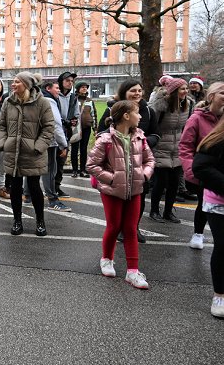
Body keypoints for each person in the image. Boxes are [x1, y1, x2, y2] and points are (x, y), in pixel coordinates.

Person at [87, 100, 155, 290]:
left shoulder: (140, 137)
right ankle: (107, 259)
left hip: (135, 190)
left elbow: (150, 160)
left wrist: (144, 175)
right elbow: (92, 165)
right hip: (112, 191)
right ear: (126, 116)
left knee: (131, 229)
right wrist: (112, 179)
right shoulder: (105, 140)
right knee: (114, 226)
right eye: (137, 112)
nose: (140, 116)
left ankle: (133, 271)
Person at [0, 72, 56, 236]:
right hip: (12, 151)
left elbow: (49, 127)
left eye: (17, 82)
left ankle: (40, 221)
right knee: (15, 188)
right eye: (13, 81)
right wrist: (3, 143)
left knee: (34, 187)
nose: (13, 84)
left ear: (26, 85)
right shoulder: (8, 102)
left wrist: (38, 146)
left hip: (33, 153)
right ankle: (17, 220)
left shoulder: (42, 102)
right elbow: (1, 125)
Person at [179, 82, 224, 250]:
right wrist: (191, 171)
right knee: (203, 203)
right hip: (203, 172)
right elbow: (185, 146)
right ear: (211, 97)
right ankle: (198, 233)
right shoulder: (196, 118)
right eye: (223, 93)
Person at [192, 115, 224, 317]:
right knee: (223, 246)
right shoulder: (216, 139)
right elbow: (200, 167)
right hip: (219, 201)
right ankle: (219, 294)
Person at [149, 75, 191, 224]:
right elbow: (153, 123)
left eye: (186, 88)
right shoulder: (161, 105)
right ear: (174, 91)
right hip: (161, 145)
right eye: (182, 89)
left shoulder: (187, 104)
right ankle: (154, 211)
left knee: (174, 183)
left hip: (178, 146)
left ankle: (168, 211)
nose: (185, 91)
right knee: (161, 182)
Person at [41, 81, 72, 214]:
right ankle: (53, 200)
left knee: (33, 171)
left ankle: (28, 195)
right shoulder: (49, 101)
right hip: (50, 142)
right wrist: (63, 144)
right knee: (50, 171)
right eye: (57, 88)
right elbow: (56, 124)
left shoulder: (37, 99)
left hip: (37, 141)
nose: (59, 90)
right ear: (48, 88)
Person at [55, 71, 79, 197]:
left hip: (66, 132)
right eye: (67, 80)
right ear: (61, 81)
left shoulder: (73, 97)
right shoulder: (55, 95)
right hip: (54, 131)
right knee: (51, 162)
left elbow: (76, 114)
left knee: (61, 160)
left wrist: (74, 120)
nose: (70, 83)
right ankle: (47, 187)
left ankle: (56, 186)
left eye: (71, 81)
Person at [70, 81, 94, 178]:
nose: (85, 89)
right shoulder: (73, 99)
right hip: (75, 128)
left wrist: (95, 128)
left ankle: (83, 170)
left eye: (86, 87)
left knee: (84, 149)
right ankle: (74, 170)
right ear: (78, 89)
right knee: (74, 149)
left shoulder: (90, 101)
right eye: (82, 87)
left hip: (86, 128)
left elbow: (93, 114)